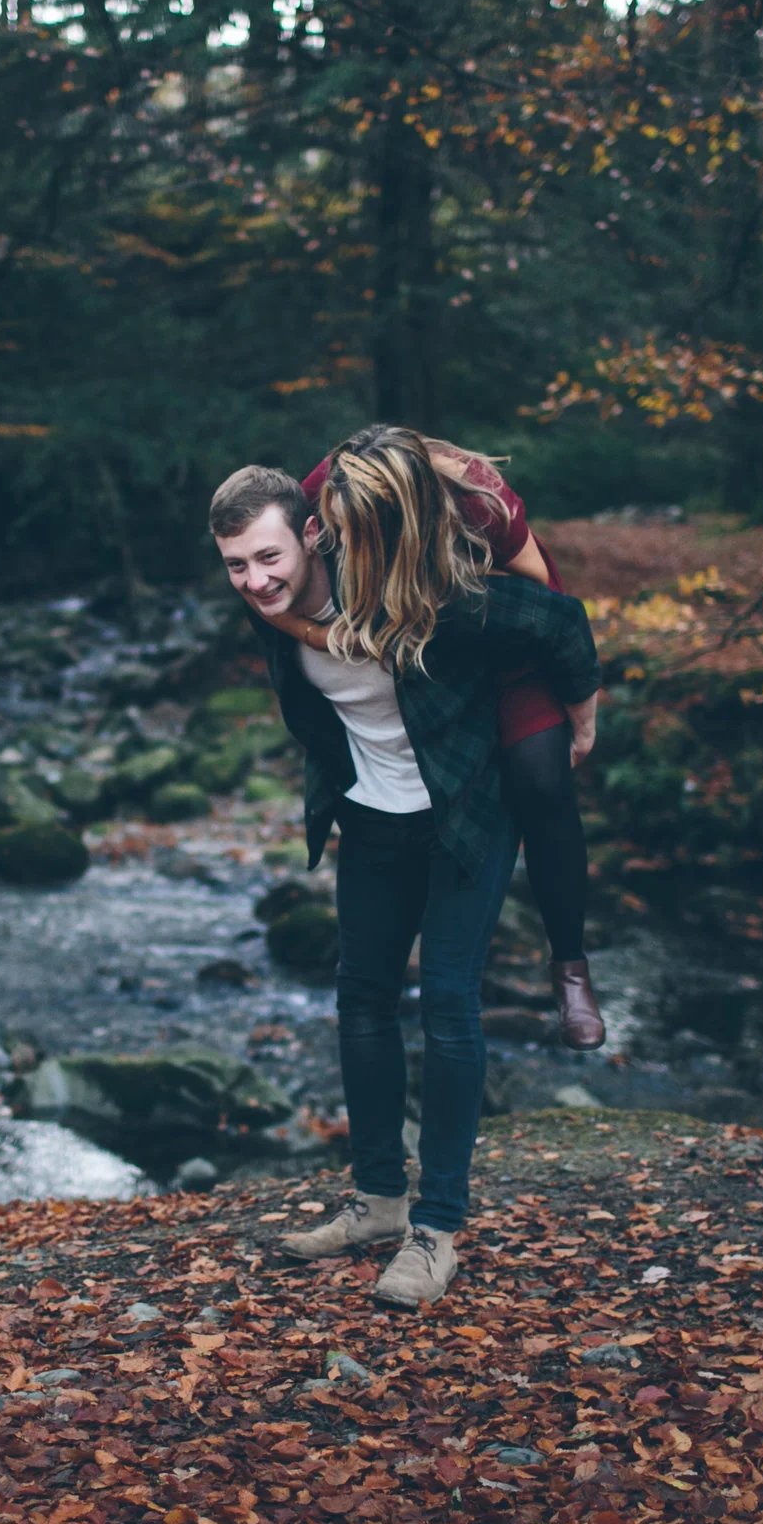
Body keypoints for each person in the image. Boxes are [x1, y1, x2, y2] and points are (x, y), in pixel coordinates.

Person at [209, 456, 602, 1307]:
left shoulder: (413, 591)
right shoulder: (267, 611)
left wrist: (579, 719)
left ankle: (437, 1232)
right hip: (373, 814)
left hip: (465, 806)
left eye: (268, 558)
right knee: (361, 997)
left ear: (313, 535)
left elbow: (560, 621)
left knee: (450, 1001)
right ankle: (380, 1202)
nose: (255, 580)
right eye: (237, 564)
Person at [269, 427, 605, 1049]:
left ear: (407, 523)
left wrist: (577, 715)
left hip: (499, 628)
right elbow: (266, 591)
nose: (336, 541)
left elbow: (548, 608)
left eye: (353, 534)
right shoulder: (318, 495)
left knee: (541, 777)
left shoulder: (481, 505)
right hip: (410, 633)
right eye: (334, 530)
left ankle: (570, 967)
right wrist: (326, 638)